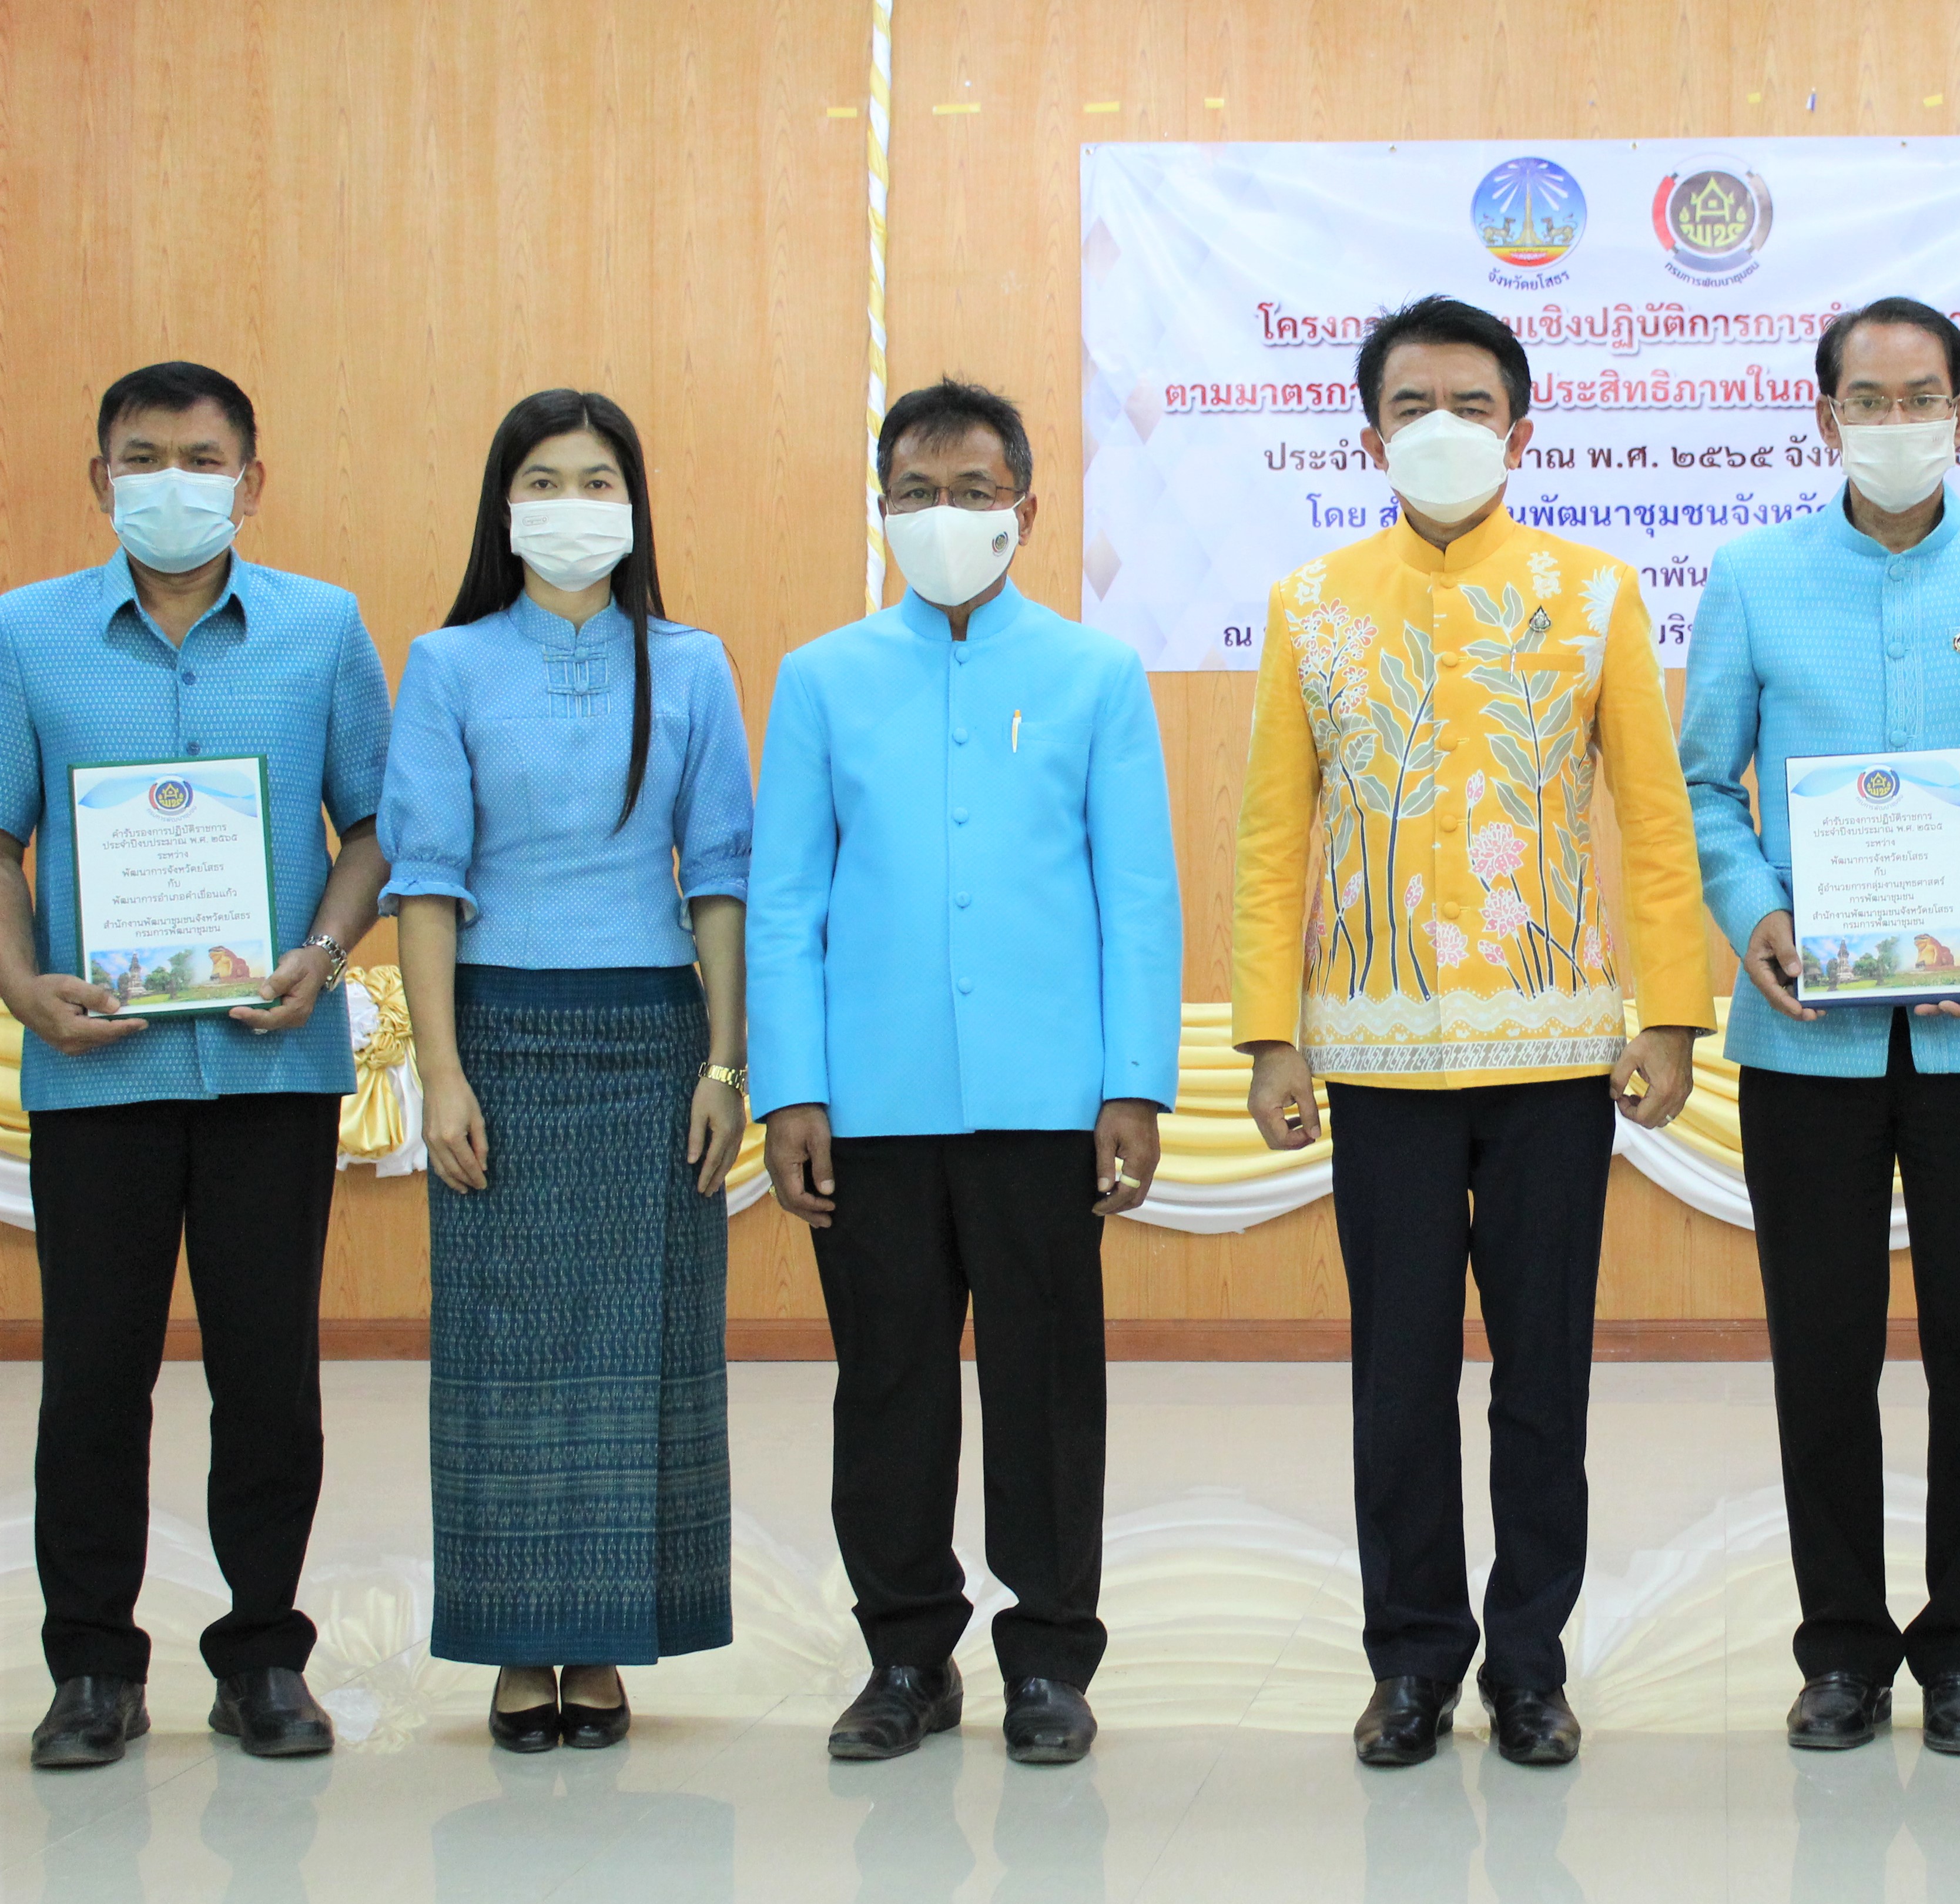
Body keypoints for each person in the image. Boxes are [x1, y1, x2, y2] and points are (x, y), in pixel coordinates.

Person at [1231, 295, 1710, 1769]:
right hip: (1374, 1058)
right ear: (1370, 430)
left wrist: (1674, 1014)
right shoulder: (1312, 603)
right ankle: (1413, 1661)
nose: (1441, 427)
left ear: (1521, 422)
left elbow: (1652, 814)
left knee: (1543, 1374)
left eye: (1471, 402)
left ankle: (1533, 1661)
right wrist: (1269, 1036)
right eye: (1411, 404)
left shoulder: (1595, 593)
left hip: (1561, 1052)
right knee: (1398, 1372)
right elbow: (1269, 834)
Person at [1678, 297, 1960, 1757]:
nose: (1898, 420)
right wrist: (1758, 916)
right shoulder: (1751, 577)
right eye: (1869, 397)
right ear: (1824, 417)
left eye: (1924, 396)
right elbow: (1700, 785)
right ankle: (1843, 1647)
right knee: (1823, 1350)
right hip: (1806, 1034)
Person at [750, 377, 1181, 1766]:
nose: (948, 517)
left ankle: (1051, 1659)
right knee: (888, 1386)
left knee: (1048, 1387)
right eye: (918, 493)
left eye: (975, 491)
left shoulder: (1093, 675)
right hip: (867, 1106)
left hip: (1047, 1102)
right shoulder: (820, 677)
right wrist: (791, 1088)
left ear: (1029, 509)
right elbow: (782, 902)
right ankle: (905, 1652)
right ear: (883, 509)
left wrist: (1133, 1084)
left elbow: (1139, 894)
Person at [2, 363, 392, 1767]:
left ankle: (262, 1657)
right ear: (100, 477)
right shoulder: (27, 633)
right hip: (94, 1072)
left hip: (268, 1069)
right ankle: (93, 1669)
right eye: (145, 456)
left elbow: (375, 827)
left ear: (252, 476)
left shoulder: (323, 628)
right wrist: (20, 986)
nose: (175, 479)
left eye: (203, 455)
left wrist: (324, 957)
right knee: (94, 1378)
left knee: (269, 1378)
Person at [378, 390, 753, 1754]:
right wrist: (442, 1070)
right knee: (502, 1352)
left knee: (640, 1348)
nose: (573, 501)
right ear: (504, 504)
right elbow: (424, 879)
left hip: (654, 1036)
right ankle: (512, 1637)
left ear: (635, 502)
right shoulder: (447, 661)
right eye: (544, 477)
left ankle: (603, 1639)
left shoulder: (696, 662)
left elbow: (719, 877)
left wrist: (724, 1060)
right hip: (501, 1039)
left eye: (599, 477)